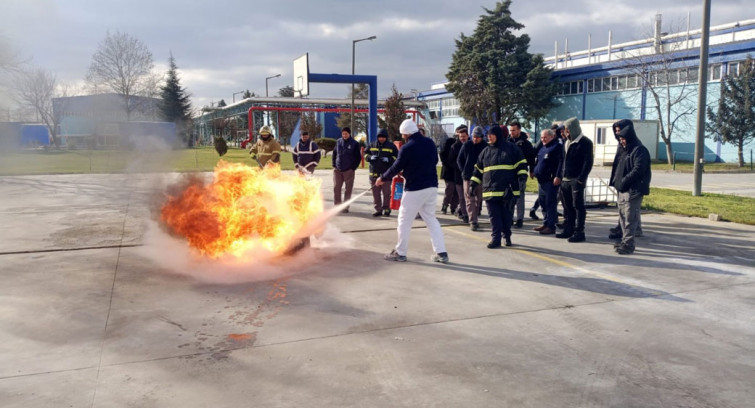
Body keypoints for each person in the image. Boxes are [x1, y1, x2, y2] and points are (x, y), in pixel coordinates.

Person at [377, 119, 449, 263]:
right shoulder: (429, 143)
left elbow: (396, 166)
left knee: (404, 220)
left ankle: (400, 252)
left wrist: (383, 178)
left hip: (415, 188)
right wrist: (412, 169)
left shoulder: (407, 147)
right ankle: (441, 253)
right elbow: (434, 161)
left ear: (405, 133)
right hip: (432, 186)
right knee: (431, 219)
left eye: (403, 134)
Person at [469, 124, 527, 248]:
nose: (488, 137)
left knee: (507, 217)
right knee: (494, 218)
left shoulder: (512, 149)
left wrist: (522, 179)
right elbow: (478, 170)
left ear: (498, 135)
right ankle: (496, 239)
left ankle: (507, 237)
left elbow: (521, 165)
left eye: (491, 135)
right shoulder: (485, 152)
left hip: (508, 190)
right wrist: (473, 184)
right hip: (490, 191)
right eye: (487, 135)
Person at [609, 119, 651, 255]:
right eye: (620, 139)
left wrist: (624, 181)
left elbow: (638, 170)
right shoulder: (625, 150)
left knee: (630, 218)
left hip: (633, 190)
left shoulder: (639, 150)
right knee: (622, 216)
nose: (621, 141)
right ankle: (624, 240)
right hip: (623, 189)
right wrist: (617, 182)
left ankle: (629, 244)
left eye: (623, 138)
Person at [556, 117, 594, 242]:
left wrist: (580, 179)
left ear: (573, 129)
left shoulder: (585, 142)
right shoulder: (566, 142)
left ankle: (579, 231)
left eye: (567, 129)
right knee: (567, 207)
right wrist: (560, 176)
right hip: (565, 180)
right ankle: (569, 229)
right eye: (565, 130)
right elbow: (562, 160)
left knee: (578, 206)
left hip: (576, 180)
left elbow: (588, 163)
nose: (566, 132)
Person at [532, 128, 564, 235]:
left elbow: (560, 162)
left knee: (550, 203)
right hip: (541, 180)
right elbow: (538, 161)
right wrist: (534, 170)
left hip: (551, 180)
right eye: (541, 137)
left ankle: (551, 226)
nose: (543, 139)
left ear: (552, 136)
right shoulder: (543, 147)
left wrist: (558, 176)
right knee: (543, 203)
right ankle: (545, 223)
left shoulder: (556, 147)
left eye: (545, 137)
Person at [458, 126, 486, 230]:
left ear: (482, 137)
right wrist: (464, 171)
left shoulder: (485, 147)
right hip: (468, 176)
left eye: (478, 137)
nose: (476, 139)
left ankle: (476, 212)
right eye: (474, 136)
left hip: (480, 177)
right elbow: (459, 160)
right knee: (470, 199)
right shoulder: (466, 145)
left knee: (479, 199)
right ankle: (473, 221)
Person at [508, 122, 536, 228]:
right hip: (509, 173)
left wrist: (532, 170)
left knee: (520, 197)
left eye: (513, 130)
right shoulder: (507, 142)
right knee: (509, 197)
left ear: (519, 130)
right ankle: (509, 217)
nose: (512, 132)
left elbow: (531, 159)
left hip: (521, 174)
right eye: (510, 130)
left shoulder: (526, 144)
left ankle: (520, 219)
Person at [366, 128, 398, 217]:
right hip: (374, 174)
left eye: (383, 137)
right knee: (376, 194)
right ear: (377, 137)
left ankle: (386, 209)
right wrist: (369, 157)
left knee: (386, 193)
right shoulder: (372, 144)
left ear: (386, 137)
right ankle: (378, 210)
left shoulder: (391, 146)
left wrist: (389, 159)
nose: (381, 139)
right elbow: (365, 154)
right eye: (380, 137)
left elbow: (397, 157)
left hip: (386, 174)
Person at [332, 126, 361, 213]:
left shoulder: (355, 144)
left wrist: (353, 168)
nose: (344, 135)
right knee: (336, 188)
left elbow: (358, 158)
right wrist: (334, 164)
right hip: (337, 169)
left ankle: (345, 207)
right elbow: (334, 153)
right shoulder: (338, 142)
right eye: (343, 134)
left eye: (346, 134)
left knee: (348, 189)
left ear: (349, 134)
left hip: (348, 170)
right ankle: (337, 205)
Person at [439, 125, 464, 215]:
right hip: (449, 170)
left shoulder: (465, 143)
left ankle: (454, 207)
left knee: (457, 191)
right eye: (458, 132)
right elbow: (442, 153)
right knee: (450, 188)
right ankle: (445, 205)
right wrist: (446, 163)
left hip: (459, 171)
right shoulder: (450, 142)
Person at [448, 126, 469, 223]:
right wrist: (460, 167)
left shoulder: (471, 145)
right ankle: (465, 214)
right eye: (461, 137)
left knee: (469, 197)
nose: (462, 138)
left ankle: (464, 211)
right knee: (461, 197)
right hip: (458, 176)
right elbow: (450, 161)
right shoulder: (454, 147)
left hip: (470, 176)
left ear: (467, 136)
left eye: (464, 136)